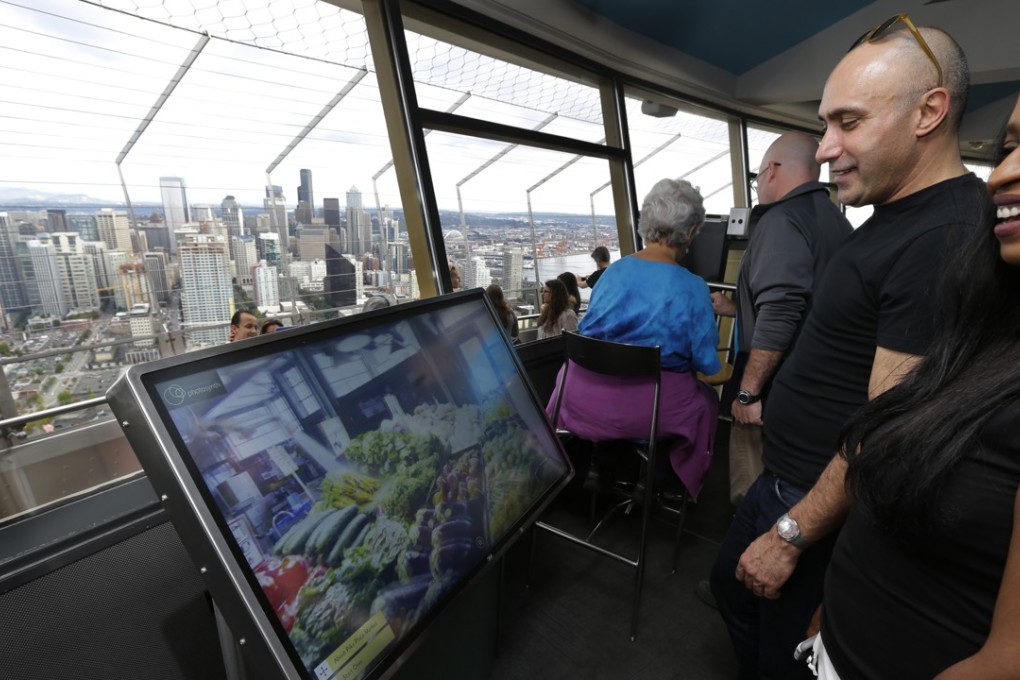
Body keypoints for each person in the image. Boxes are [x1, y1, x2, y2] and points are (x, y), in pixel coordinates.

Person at [711, 18, 990, 680]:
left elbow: (890, 425)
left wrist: (792, 535)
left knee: (785, 651)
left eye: (848, 123)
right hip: (786, 476)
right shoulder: (891, 219)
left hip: (814, 500)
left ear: (929, 112)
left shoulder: (944, 236)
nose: (828, 148)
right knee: (730, 590)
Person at [812, 92, 1020, 678]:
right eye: (1007, 147)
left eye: (849, 122)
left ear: (928, 115)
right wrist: (833, 610)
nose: (1003, 172)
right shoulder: (988, 335)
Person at [552, 178, 721, 499]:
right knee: (706, 401)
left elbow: (590, 337)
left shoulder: (612, 273)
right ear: (693, 229)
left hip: (577, 396)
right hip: (648, 410)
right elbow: (707, 364)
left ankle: (602, 464)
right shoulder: (692, 287)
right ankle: (661, 478)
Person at [710, 133, 852, 506]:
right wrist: (738, 308)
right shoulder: (835, 222)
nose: (757, 188)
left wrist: (748, 391)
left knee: (755, 490)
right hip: (817, 382)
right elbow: (808, 299)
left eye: (756, 178)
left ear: (772, 170)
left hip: (773, 380)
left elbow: (782, 310)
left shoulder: (781, 220)